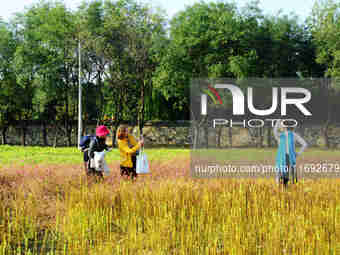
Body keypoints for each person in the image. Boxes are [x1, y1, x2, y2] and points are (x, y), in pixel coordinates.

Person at [273, 120, 308, 187]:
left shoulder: (281, 136)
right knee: (288, 175)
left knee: (280, 175)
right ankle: (287, 187)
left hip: (282, 158)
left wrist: (277, 122)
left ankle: (283, 188)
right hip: (288, 157)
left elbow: (275, 132)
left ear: (284, 127)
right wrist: (298, 153)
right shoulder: (292, 135)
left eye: (282, 125)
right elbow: (305, 144)